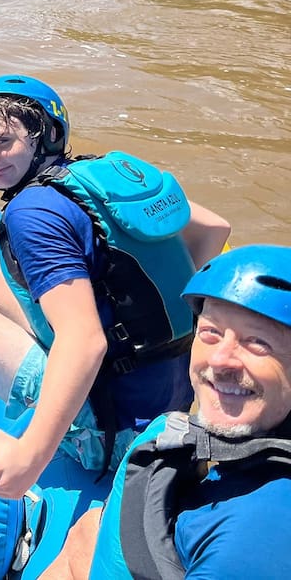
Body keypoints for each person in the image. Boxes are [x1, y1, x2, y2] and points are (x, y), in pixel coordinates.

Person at [0, 75, 232, 499]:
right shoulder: (99, 177)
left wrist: (28, 460)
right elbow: (213, 227)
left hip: (106, 432)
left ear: (48, 135)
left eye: (3, 142)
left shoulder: (32, 214)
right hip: (166, 402)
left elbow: (85, 342)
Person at [39, 245, 291, 580]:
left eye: (258, 343)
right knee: (86, 531)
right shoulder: (243, 453)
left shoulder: (254, 537)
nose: (220, 359)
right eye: (210, 334)